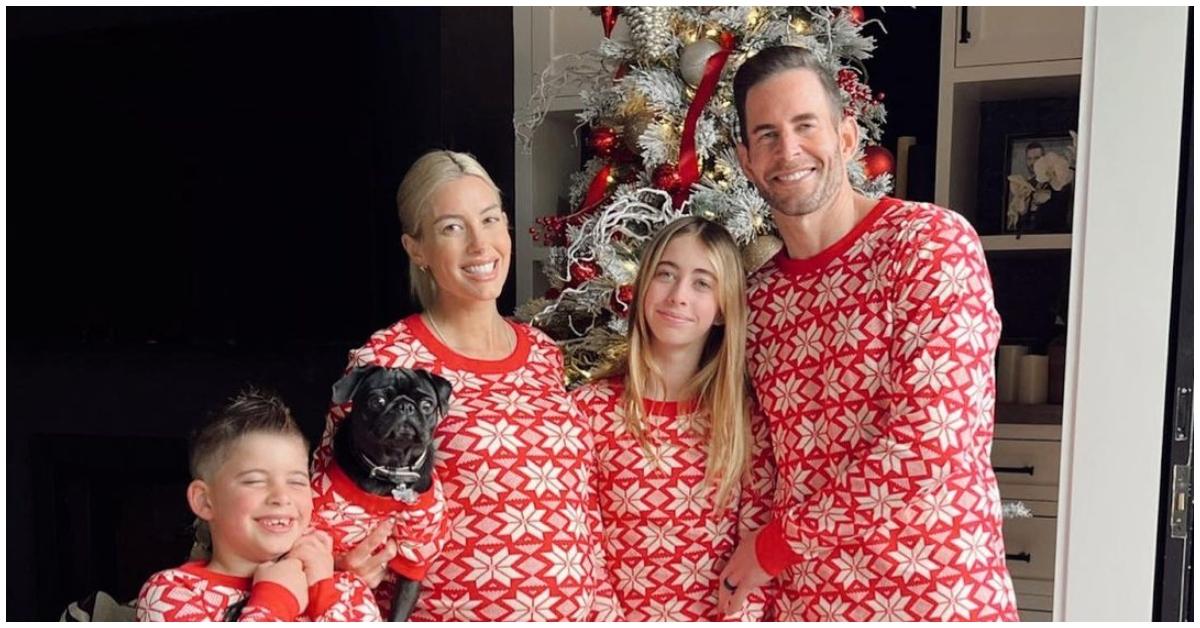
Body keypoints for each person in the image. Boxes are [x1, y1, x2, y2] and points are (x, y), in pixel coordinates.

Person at [717, 45, 1019, 621]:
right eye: (766, 135)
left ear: (848, 137)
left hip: (937, 598)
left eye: (806, 126)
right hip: (813, 606)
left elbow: (932, 445)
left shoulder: (928, 243)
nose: (789, 150)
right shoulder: (758, 299)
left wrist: (777, 546)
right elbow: (759, 467)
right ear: (746, 160)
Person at [310, 149, 619, 621]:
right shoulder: (386, 361)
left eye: (490, 219)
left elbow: (578, 513)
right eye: (452, 227)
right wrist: (342, 565)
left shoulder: (542, 352)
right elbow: (325, 509)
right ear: (417, 249)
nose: (480, 244)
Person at [573, 216, 776, 621]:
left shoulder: (745, 421)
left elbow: (752, 558)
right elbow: (580, 549)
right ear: (644, 285)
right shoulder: (588, 411)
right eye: (666, 274)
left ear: (722, 309)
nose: (679, 295)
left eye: (703, 283)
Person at [136, 390, 380, 622]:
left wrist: (323, 593)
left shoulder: (349, 592)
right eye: (255, 481)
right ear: (204, 501)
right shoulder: (171, 592)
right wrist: (274, 601)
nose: (281, 497)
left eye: (296, 481)